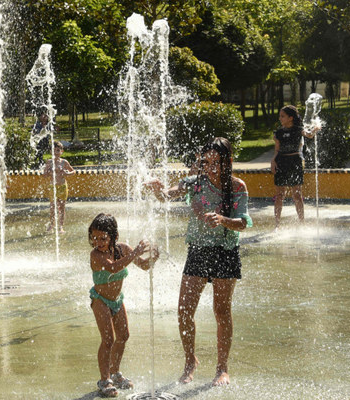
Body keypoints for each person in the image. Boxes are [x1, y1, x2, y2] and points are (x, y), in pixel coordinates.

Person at [145, 137, 252, 386]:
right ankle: (190, 360)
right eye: (207, 162)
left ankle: (222, 368)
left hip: (226, 251)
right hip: (199, 251)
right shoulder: (194, 183)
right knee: (184, 310)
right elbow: (167, 196)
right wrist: (157, 189)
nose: (212, 167)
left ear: (229, 161)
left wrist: (223, 220)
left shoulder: (237, 187)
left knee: (221, 311)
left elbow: (244, 222)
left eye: (217, 162)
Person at [88, 213, 159, 397]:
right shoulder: (95, 255)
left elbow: (143, 265)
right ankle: (104, 380)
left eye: (103, 238)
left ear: (114, 236)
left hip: (117, 300)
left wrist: (154, 257)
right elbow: (112, 267)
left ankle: (115, 373)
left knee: (123, 336)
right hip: (100, 300)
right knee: (108, 339)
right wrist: (135, 252)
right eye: (94, 238)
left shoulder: (123, 249)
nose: (98, 242)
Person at [270, 105, 318, 228]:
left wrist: (315, 128)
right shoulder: (279, 133)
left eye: (282, 116)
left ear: (290, 118)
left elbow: (309, 135)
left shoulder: (298, 129)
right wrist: (273, 161)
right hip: (281, 161)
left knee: (296, 194)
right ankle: (277, 225)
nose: (280, 118)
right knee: (280, 195)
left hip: (295, 162)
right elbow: (277, 150)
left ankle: (302, 223)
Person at [43, 141, 75, 233]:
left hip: (62, 187)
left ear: (62, 151)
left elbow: (73, 171)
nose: (56, 153)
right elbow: (44, 175)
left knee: (61, 207)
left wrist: (67, 173)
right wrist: (48, 172)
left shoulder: (64, 162)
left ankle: (61, 226)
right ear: (50, 152)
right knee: (52, 208)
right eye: (53, 150)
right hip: (53, 187)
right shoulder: (49, 162)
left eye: (58, 150)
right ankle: (52, 225)